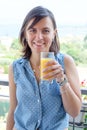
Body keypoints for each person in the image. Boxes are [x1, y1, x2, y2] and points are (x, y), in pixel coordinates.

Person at [6, 6, 82, 130]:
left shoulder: (66, 62)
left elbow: (74, 112)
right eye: (32, 30)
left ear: (54, 34)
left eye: (46, 31)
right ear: (25, 33)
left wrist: (62, 80)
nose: (39, 37)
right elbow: (13, 111)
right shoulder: (15, 68)